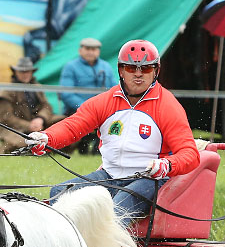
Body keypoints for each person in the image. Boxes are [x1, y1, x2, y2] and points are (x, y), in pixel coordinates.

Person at [25, 39, 200, 226]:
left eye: (146, 69)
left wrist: (166, 165)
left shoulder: (168, 106)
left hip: (150, 179)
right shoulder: (105, 101)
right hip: (110, 174)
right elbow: (73, 126)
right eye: (132, 68)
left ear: (156, 70)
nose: (138, 74)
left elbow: (190, 154)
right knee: (60, 193)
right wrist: (46, 138)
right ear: (121, 70)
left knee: (117, 212)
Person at [59, 37, 118, 154]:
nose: (90, 52)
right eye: (87, 48)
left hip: (103, 110)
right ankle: (82, 145)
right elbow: (66, 93)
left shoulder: (106, 67)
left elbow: (114, 89)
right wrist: (86, 107)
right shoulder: (70, 67)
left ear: (98, 51)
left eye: (94, 49)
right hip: (77, 110)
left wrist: (106, 107)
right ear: (80, 50)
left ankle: (101, 147)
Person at [0, 57, 64, 154]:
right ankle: (8, 149)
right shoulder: (5, 92)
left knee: (64, 125)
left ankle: (47, 149)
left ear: (32, 72)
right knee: (24, 144)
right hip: (13, 128)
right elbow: (6, 118)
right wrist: (29, 125)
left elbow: (46, 106)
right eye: (22, 72)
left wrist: (40, 119)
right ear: (15, 72)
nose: (25, 74)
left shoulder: (36, 88)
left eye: (28, 71)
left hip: (38, 124)